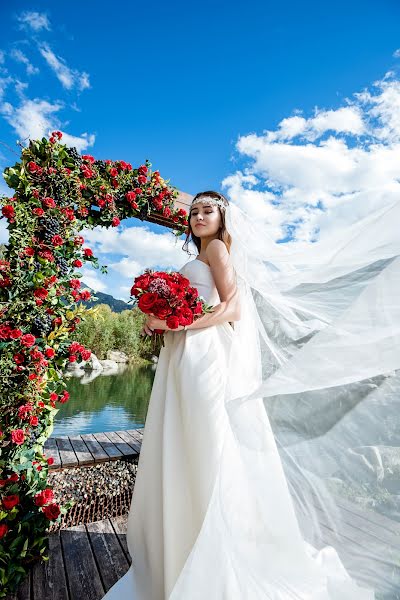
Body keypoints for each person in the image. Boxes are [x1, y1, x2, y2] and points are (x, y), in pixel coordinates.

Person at [102, 190, 400, 599]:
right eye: (193, 212)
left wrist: (177, 323)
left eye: (208, 210)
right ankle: (181, 542)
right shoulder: (204, 254)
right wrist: (157, 319)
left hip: (204, 355)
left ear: (223, 218)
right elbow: (199, 306)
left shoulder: (220, 250)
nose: (198, 216)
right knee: (182, 442)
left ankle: (214, 551)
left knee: (207, 444)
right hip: (183, 357)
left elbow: (234, 309)